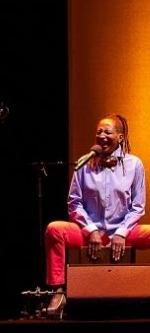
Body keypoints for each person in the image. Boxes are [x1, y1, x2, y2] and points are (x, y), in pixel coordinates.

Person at [44, 113, 150, 317]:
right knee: (54, 229)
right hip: (89, 232)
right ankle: (58, 291)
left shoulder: (134, 164)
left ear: (120, 137)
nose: (101, 135)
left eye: (107, 131)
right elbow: (74, 203)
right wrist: (91, 229)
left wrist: (121, 232)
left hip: (124, 232)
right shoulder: (84, 164)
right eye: (98, 131)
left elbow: (138, 206)